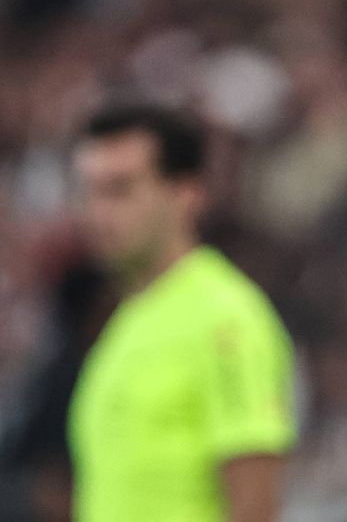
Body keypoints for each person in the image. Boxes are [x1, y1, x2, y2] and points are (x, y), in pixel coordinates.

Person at [68, 104, 297, 522]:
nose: (99, 213)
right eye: (90, 191)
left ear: (185, 195)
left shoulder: (224, 318)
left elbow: (256, 506)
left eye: (120, 190)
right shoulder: (129, 318)